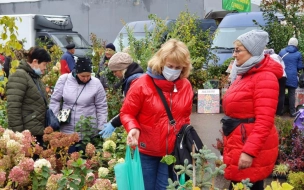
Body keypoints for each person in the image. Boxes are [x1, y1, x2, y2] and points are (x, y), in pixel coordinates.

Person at [120, 39, 194, 190]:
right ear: (161, 62)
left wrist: (187, 140)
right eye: (170, 66)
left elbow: (185, 117)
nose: (173, 70)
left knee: (166, 187)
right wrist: (133, 128)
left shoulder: (185, 86)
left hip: (173, 152)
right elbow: (127, 112)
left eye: (178, 67)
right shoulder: (142, 84)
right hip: (147, 151)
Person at [222, 30, 282, 190]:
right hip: (239, 141)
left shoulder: (264, 78)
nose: (234, 54)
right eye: (234, 50)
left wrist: (249, 152)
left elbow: (265, 121)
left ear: (253, 52)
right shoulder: (245, 74)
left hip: (249, 146)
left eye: (238, 50)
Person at [50, 57, 108, 153]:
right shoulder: (64, 80)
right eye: (82, 76)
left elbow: (101, 106)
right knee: (67, 158)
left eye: (88, 76)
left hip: (87, 130)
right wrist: (54, 119)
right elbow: (55, 100)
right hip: (67, 130)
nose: (85, 79)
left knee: (86, 161)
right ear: (76, 72)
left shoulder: (96, 83)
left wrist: (101, 127)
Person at [6, 47, 51, 145]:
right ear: (35, 61)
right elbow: (13, 107)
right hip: (26, 134)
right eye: (44, 64)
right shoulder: (19, 76)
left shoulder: (34, 77)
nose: (45, 68)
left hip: (36, 131)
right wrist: (19, 135)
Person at [98, 52, 144, 138]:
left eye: (115, 71)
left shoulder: (134, 81)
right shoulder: (136, 77)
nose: (114, 74)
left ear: (122, 69)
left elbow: (130, 109)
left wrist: (113, 123)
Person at [279, 37, 303, 117]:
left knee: (281, 94)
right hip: (292, 76)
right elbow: (300, 67)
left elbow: (277, 63)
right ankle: (292, 112)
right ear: (296, 45)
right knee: (291, 94)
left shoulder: (282, 52)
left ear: (288, 43)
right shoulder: (298, 54)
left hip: (282, 75)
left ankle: (280, 111)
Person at [263, 48, 287, 116]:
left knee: (272, 94)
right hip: (283, 76)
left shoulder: (266, 58)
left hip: (273, 76)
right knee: (281, 94)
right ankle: (279, 112)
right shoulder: (277, 56)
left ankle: (273, 111)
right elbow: (283, 66)